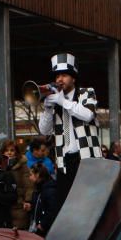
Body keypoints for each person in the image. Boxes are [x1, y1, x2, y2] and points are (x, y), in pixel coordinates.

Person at [38, 52, 102, 206]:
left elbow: (88, 115)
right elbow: (44, 131)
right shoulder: (54, 100)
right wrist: (47, 109)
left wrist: (63, 101)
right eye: (57, 76)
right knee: (66, 206)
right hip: (64, 162)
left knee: (89, 206)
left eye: (64, 75)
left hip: (87, 158)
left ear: (73, 78)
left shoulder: (86, 92)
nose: (59, 79)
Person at [1, 140, 31, 230]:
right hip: (2, 203)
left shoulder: (23, 165)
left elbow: (29, 185)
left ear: (16, 152)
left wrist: (27, 200)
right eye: (6, 150)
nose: (9, 153)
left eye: (12, 150)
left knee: (18, 233)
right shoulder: (0, 165)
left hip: (18, 203)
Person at [26, 163, 59, 237]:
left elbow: (52, 210)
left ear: (37, 175)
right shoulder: (38, 188)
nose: (29, 178)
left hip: (45, 231)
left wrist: (43, 225)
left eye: (31, 175)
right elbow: (39, 205)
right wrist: (31, 206)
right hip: (37, 227)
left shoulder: (50, 190)